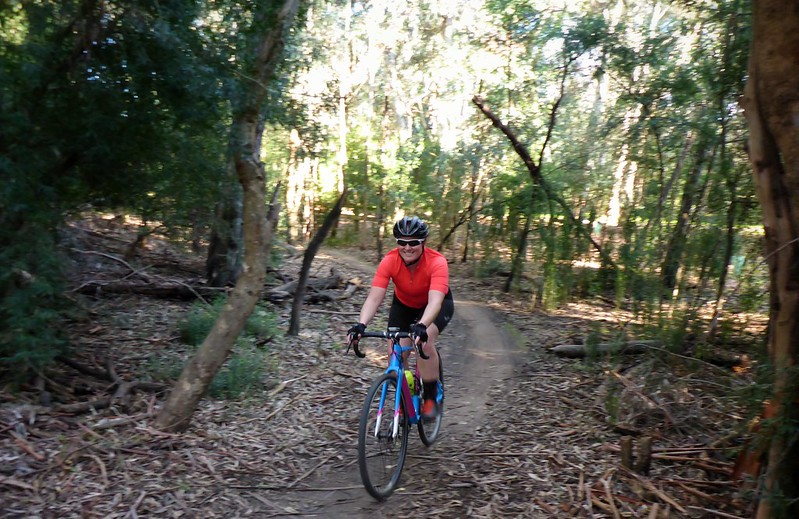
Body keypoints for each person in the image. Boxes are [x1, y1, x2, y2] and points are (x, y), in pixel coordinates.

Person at [347, 216, 454, 420]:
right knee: (394, 352)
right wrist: (361, 324)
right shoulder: (390, 260)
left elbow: (435, 302)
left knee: (425, 340)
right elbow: (375, 297)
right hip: (403, 305)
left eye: (413, 242)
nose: (407, 247)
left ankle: (431, 396)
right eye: (402, 242)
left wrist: (422, 325)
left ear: (423, 243)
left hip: (435, 305)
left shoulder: (437, 262)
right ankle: (405, 392)